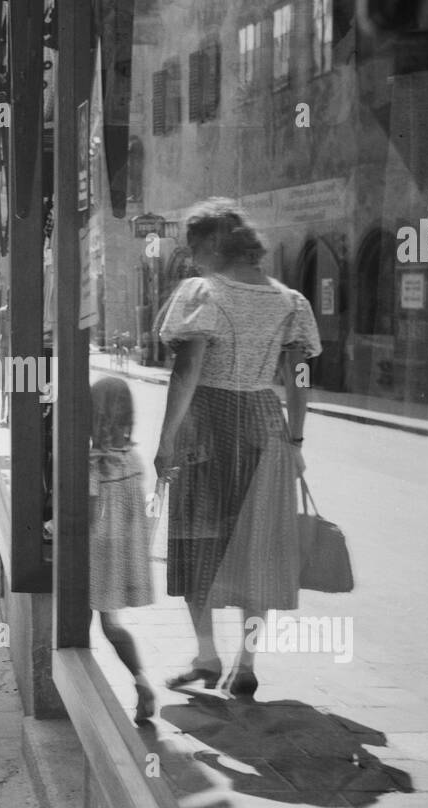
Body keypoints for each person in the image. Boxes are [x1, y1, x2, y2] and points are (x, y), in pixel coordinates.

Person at [153, 199, 321, 699]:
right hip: (264, 425)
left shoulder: (202, 293)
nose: (190, 256)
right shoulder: (290, 301)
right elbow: (300, 376)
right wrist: (295, 439)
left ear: (211, 244)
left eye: (193, 245)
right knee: (257, 547)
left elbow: (187, 374)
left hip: (207, 423)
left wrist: (165, 442)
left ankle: (207, 655)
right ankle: (245, 664)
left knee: (196, 538)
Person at [90, 377, 157, 723]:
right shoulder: (133, 459)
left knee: (78, 624)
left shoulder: (94, 464)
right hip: (119, 555)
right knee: (111, 624)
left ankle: (83, 694)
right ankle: (140, 678)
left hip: (95, 554)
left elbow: (87, 513)